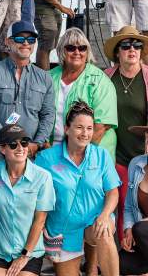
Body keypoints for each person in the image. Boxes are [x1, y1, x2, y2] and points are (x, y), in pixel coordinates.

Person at [36, 101, 121, 276]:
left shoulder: (101, 155)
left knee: (104, 232)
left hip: (94, 221)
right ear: (67, 129)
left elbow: (112, 191)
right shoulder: (46, 158)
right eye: (80, 127)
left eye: (89, 128)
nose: (85, 133)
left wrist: (105, 215)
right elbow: (31, 188)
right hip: (63, 230)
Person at [0, 124, 55, 276]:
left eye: (24, 143)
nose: (20, 148)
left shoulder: (43, 177)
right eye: (13, 145)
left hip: (30, 251)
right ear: (2, 149)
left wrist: (24, 255)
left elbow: (39, 221)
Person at [0, 21, 55, 160]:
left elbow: (48, 115)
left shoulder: (45, 78)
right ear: (8, 41)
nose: (26, 43)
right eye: (19, 39)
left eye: (31, 39)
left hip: (31, 157)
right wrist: (6, 142)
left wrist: (37, 143)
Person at [103, 26, 148, 240]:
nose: (132, 49)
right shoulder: (106, 78)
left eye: (137, 45)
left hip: (142, 157)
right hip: (116, 155)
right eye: (126, 45)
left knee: (139, 209)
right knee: (119, 205)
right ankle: (119, 257)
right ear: (117, 52)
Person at [49, 28, 118, 159]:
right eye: (70, 48)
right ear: (62, 51)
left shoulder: (100, 80)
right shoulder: (49, 77)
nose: (77, 52)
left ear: (88, 52)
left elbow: (101, 126)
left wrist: (76, 156)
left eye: (82, 48)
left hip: (91, 152)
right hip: (52, 150)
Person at [119, 125, 148, 275]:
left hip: (143, 231)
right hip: (143, 239)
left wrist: (137, 228)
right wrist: (128, 229)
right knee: (120, 263)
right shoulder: (136, 164)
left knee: (141, 228)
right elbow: (129, 206)